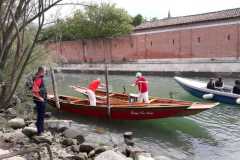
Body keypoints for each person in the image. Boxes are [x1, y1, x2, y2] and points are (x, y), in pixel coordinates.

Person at [32, 66, 47, 136]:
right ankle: (39, 131)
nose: (45, 72)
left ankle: (41, 129)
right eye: (45, 71)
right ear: (41, 72)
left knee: (41, 115)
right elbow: (35, 90)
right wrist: (40, 98)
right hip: (39, 99)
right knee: (41, 115)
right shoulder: (38, 78)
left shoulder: (37, 77)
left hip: (39, 99)